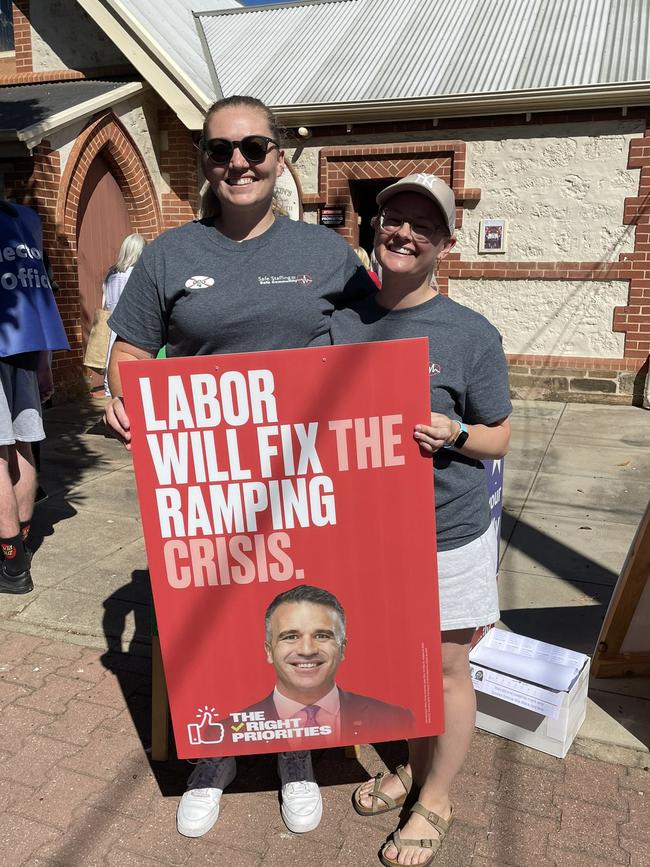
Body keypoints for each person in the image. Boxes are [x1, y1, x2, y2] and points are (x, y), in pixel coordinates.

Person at [103, 94, 375, 839]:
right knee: (214, 615)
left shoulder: (326, 256)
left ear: (278, 156)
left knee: (300, 616)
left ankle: (296, 752)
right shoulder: (169, 256)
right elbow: (128, 350)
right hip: (210, 479)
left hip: (308, 477)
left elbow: (375, 352)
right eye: (221, 150)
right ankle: (215, 752)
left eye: (254, 147)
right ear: (206, 162)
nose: (238, 163)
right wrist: (118, 393)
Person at [330, 174, 512, 867]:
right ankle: (410, 766)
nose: (403, 232)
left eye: (422, 225)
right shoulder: (344, 321)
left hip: (447, 531)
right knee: (401, 667)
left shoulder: (471, 334)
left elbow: (499, 433)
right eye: (393, 218)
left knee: (444, 668)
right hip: (372, 531)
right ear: (377, 228)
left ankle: (436, 797)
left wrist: (455, 433)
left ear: (446, 243)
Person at [0, 200, 69, 594]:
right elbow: (40, 286)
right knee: (22, 443)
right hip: (26, 342)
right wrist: (44, 360)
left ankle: (12, 566)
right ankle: (22, 542)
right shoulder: (23, 219)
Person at [248, 585, 415, 741]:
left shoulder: (395, 720)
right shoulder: (229, 733)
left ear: (342, 648)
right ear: (269, 651)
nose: (307, 650)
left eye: (322, 636)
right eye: (291, 637)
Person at [102, 234, 147, 396]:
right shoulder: (137, 274)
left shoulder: (111, 274)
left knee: (110, 359)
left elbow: (105, 302)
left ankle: (109, 393)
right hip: (132, 324)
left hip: (111, 322)